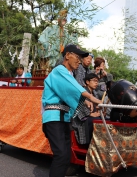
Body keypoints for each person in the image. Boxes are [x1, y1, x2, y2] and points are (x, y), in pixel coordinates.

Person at [41, 44, 102, 177]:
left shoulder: (68, 74)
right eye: (77, 57)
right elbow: (75, 87)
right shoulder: (59, 70)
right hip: (54, 118)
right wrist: (92, 98)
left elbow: (69, 92)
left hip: (64, 118)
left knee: (66, 156)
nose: (79, 61)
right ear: (67, 55)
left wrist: (86, 101)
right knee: (61, 155)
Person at [72, 73, 102, 144]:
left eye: (97, 81)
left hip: (91, 117)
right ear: (87, 82)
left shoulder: (95, 93)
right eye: (94, 80)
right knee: (97, 121)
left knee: (104, 120)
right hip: (81, 120)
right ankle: (90, 143)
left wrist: (98, 110)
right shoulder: (83, 91)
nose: (96, 83)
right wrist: (90, 114)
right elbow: (79, 105)